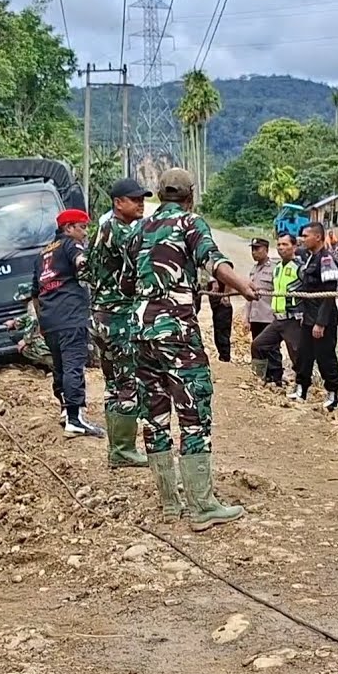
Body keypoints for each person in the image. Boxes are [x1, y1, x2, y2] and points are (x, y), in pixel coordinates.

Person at [130, 168, 259, 531]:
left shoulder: (140, 229)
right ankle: (202, 506)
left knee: (154, 416)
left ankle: (171, 504)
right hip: (176, 331)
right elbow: (214, 262)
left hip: (141, 332)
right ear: (190, 196)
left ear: (159, 195)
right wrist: (245, 288)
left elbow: (127, 280)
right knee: (193, 414)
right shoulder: (190, 223)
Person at [85, 178, 152, 466]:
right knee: (128, 383)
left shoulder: (102, 228)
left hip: (101, 315)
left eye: (142, 198)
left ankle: (117, 449)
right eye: (134, 199)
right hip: (118, 317)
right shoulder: (117, 229)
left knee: (113, 384)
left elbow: (85, 268)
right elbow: (144, 256)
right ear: (118, 203)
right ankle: (123, 450)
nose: (141, 204)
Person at [37, 208, 103, 438]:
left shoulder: (43, 253)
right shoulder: (70, 244)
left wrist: (41, 321)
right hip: (70, 315)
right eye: (82, 227)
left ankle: (66, 410)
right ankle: (75, 420)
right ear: (68, 228)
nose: (85, 233)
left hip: (49, 319)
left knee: (60, 367)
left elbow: (34, 292)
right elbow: (82, 262)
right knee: (74, 365)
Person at [290, 222, 338, 411]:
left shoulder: (326, 259)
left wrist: (321, 322)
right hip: (308, 316)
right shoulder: (309, 258)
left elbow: (329, 295)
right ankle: (301, 390)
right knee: (304, 355)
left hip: (324, 320)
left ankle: (333, 394)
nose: (303, 240)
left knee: (325, 357)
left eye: (306, 236)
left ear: (318, 237)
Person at [251, 233, 303, 387]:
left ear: (294, 247)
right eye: (279, 244)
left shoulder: (300, 268)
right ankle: (259, 377)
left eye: (285, 244)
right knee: (258, 345)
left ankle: (303, 387)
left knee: (297, 355)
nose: (281, 248)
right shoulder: (278, 268)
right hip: (277, 318)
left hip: (293, 319)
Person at [245, 237, 276, 376]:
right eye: (252, 249)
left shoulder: (274, 269)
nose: (254, 252)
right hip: (256, 316)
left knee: (272, 349)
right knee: (256, 347)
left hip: (269, 317)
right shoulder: (253, 270)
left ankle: (275, 378)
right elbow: (249, 298)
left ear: (266, 250)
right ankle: (259, 376)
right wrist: (246, 318)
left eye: (257, 249)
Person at [5, 282, 53, 370]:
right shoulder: (40, 301)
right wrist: (16, 322)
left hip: (44, 337)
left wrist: (26, 340)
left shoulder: (32, 305)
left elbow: (33, 319)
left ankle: (54, 364)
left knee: (27, 349)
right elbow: (30, 317)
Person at [196, 267, 234, 362]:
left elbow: (229, 278)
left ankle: (225, 357)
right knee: (217, 328)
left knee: (222, 328)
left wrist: (225, 295)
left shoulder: (218, 265)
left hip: (221, 299)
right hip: (208, 295)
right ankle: (222, 356)